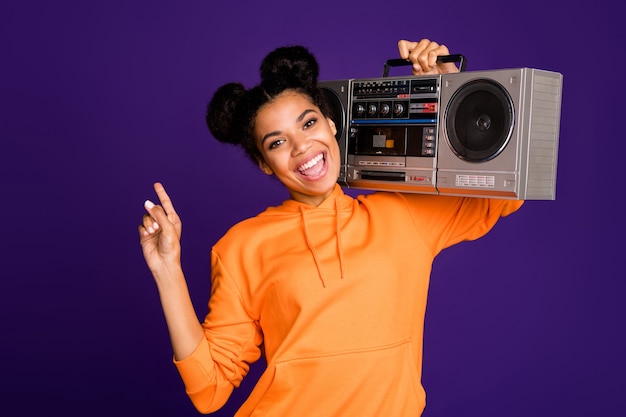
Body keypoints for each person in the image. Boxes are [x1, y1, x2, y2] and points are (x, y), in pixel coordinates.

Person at [139, 38, 523, 416]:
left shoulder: (402, 215)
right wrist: (167, 270)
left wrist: (449, 90)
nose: (301, 146)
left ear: (332, 124)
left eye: (308, 123)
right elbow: (210, 390)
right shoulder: (242, 246)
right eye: (277, 143)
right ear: (264, 164)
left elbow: (503, 194)